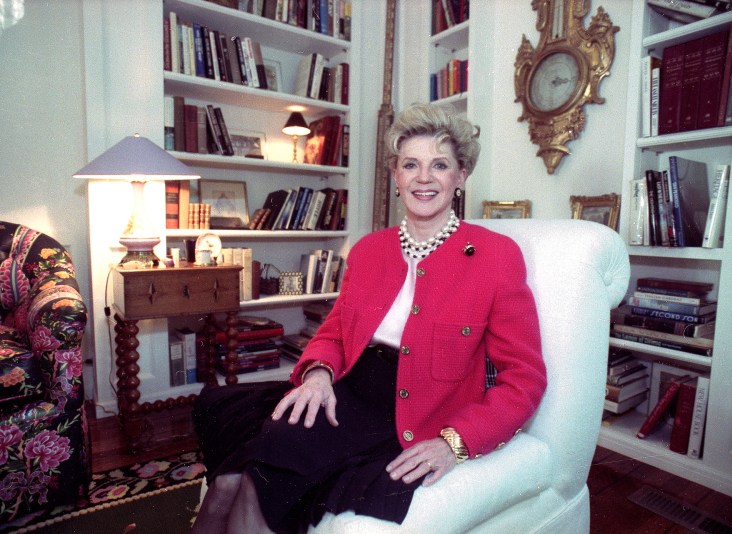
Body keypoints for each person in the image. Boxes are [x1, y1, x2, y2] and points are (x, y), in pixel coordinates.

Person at [191, 103, 547, 533]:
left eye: (440, 165)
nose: (423, 177)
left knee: (257, 475)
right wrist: (318, 375)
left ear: (460, 177)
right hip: (347, 387)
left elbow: (524, 379)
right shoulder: (368, 250)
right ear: (395, 177)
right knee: (227, 467)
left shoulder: (495, 256)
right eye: (410, 164)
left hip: (413, 408)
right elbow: (336, 332)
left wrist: (456, 443)